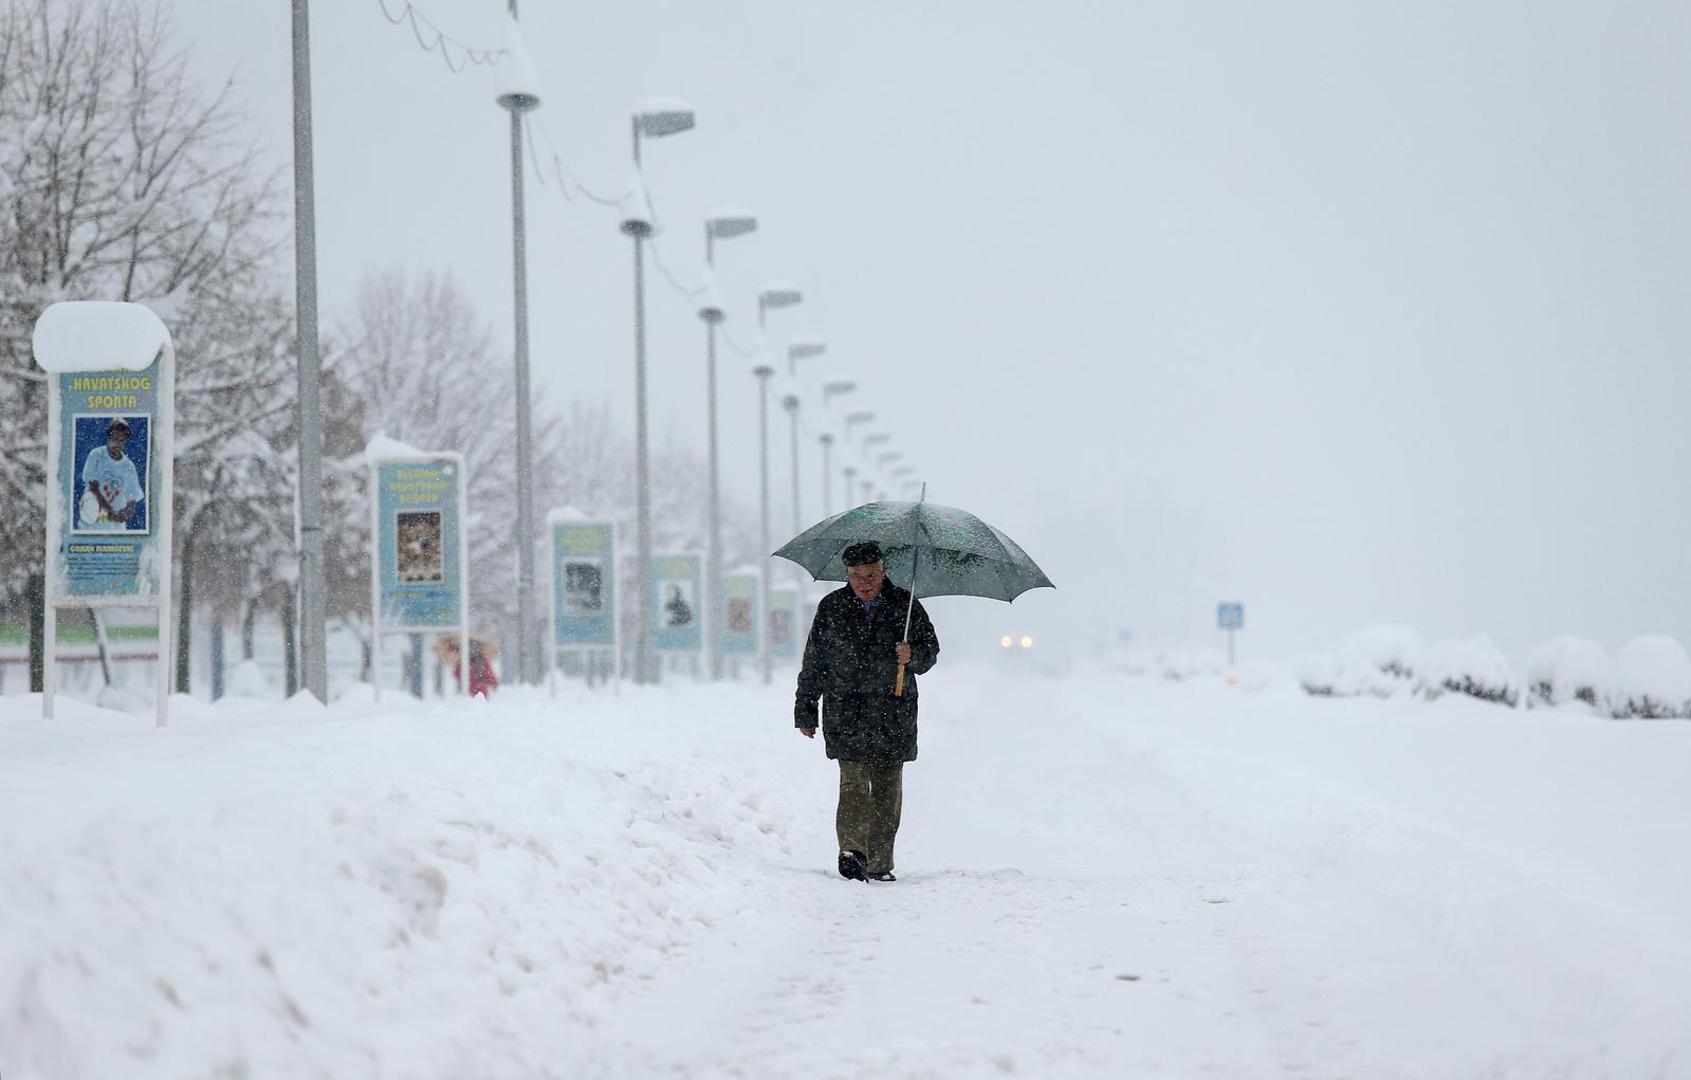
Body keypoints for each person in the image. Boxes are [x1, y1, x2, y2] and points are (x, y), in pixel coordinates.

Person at [795, 541, 940, 883]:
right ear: (847, 574)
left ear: (883, 570)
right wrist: (806, 707)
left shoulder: (905, 606)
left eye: (871, 574)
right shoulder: (832, 607)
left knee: (887, 790)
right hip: (847, 711)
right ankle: (852, 853)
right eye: (856, 576)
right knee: (854, 784)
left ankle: (879, 861)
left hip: (893, 712)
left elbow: (930, 651)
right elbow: (815, 659)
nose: (864, 582)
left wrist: (913, 654)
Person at [80, 418, 143, 530]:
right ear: (108, 437)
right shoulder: (96, 456)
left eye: (120, 439)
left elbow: (132, 500)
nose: (116, 442)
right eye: (114, 438)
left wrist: (125, 513)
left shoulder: (129, 467)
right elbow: (93, 489)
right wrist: (109, 514)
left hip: (116, 530)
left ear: (125, 441)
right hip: (92, 524)